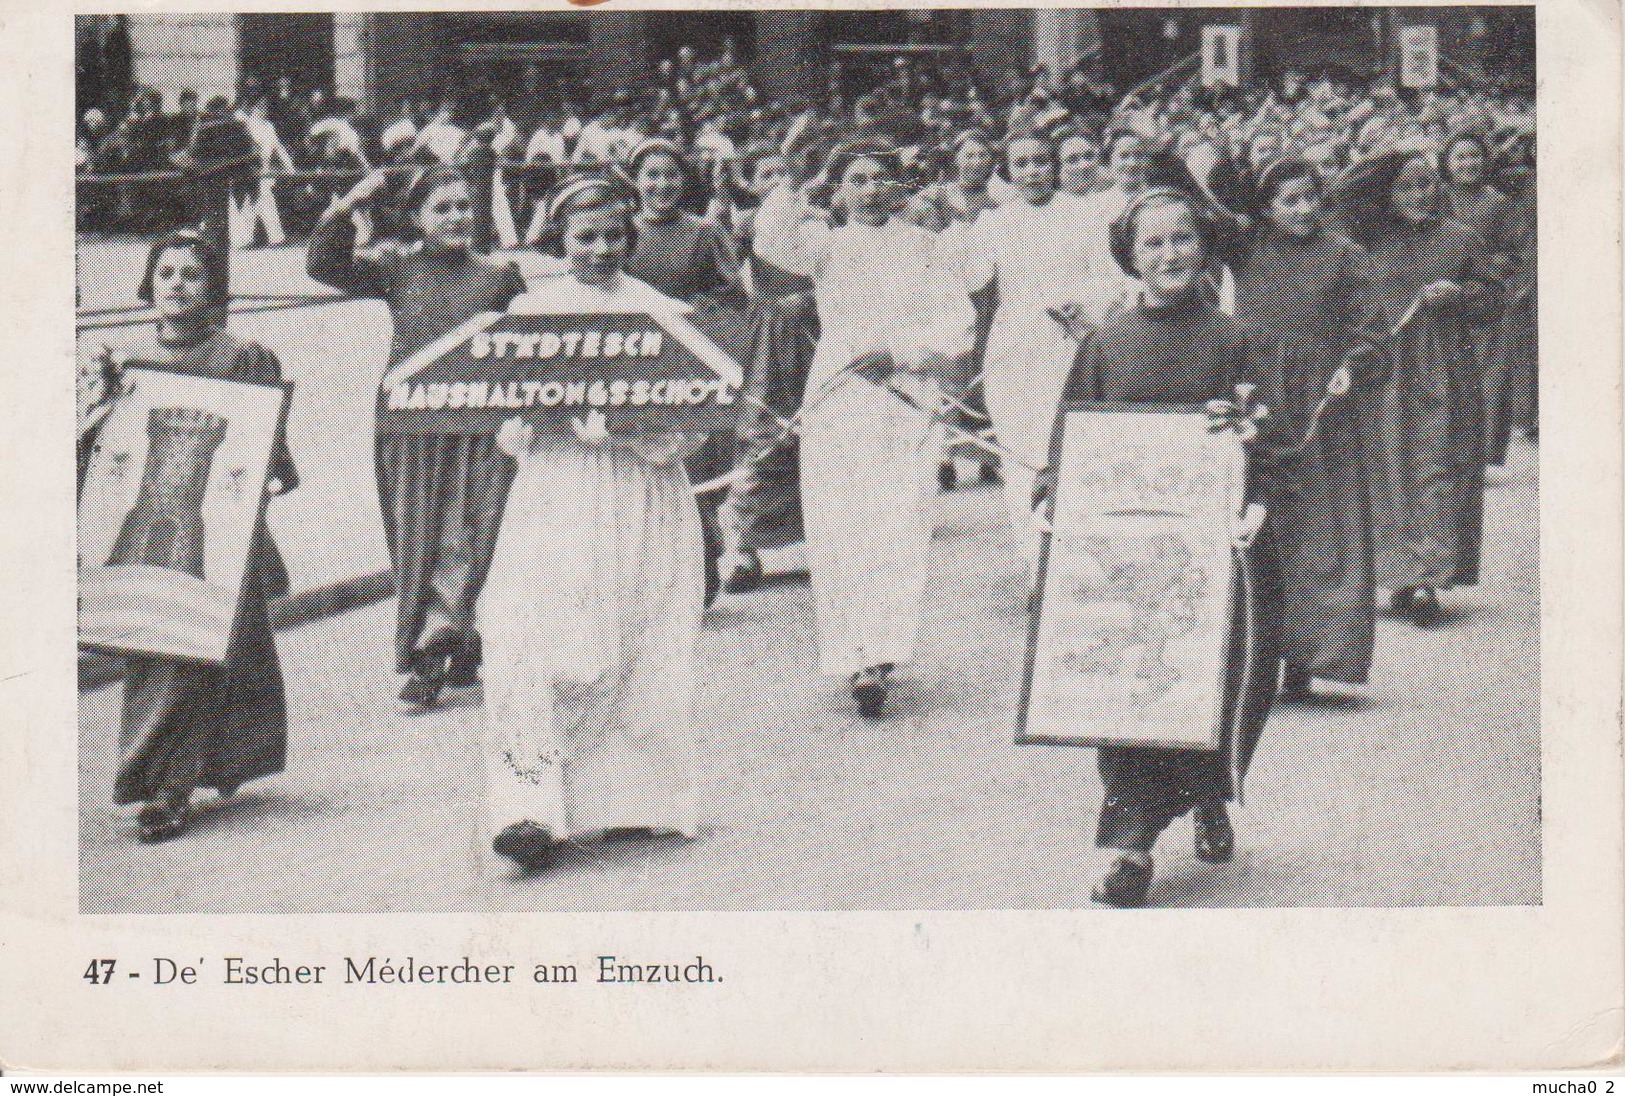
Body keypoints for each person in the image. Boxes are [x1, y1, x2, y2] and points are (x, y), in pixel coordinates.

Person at [1053, 188, 1286, 907]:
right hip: (1131, 555)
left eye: (1181, 239)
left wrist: (1255, 501)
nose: (1169, 255)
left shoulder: (1235, 339)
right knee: (1131, 691)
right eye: (1152, 244)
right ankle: (1128, 851)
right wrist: (1047, 491)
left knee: (1216, 680)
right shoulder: (1106, 343)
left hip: (1217, 545)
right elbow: (1072, 432)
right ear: (1131, 256)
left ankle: (1207, 795)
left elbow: (1267, 438)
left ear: (1203, 246)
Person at [479, 177, 708, 872]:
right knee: (530, 642)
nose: (600, 249)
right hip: (557, 498)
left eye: (613, 235)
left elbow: (692, 424)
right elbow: (504, 425)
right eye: (584, 236)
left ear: (629, 238)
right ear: (560, 240)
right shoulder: (531, 312)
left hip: (638, 495)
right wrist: (535, 421)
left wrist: (633, 431)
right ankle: (527, 809)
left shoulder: (662, 312)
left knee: (636, 642)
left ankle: (628, 801)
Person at [755, 140, 974, 717]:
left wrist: (901, 353)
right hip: (840, 399)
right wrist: (798, 185)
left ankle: (884, 648)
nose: (871, 190)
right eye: (858, 179)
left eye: (881, 178)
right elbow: (770, 239)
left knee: (899, 522)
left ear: (900, 186)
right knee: (840, 521)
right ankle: (856, 655)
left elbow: (958, 328)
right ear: (841, 189)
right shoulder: (824, 247)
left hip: (903, 399)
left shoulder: (927, 248)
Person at [96, 231, 299, 843]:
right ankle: (164, 783)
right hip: (150, 526)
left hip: (220, 526)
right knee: (166, 649)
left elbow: (265, 440)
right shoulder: (128, 363)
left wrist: (259, 480)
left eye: (193, 274)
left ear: (213, 286)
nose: (178, 286)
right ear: (148, 286)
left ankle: (182, 780)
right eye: (166, 274)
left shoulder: (243, 355)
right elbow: (102, 449)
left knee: (218, 650)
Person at [307, 165, 526, 706]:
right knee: (417, 536)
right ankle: (452, 639)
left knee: (475, 532)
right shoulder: (395, 267)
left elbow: (526, 345)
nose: (456, 218)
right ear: (417, 217)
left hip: (479, 422)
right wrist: (349, 205)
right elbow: (322, 265)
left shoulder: (501, 274)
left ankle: (433, 650)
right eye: (442, 208)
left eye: (464, 205)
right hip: (408, 422)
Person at [1230, 159, 1389, 698]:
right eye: (1288, 200)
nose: (1302, 209)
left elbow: (1373, 323)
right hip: (1259, 401)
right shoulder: (1248, 248)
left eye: (1310, 198)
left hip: (1323, 408)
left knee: (1322, 529)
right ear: (1266, 207)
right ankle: (1259, 655)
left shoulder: (1345, 254)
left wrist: (1355, 362)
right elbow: (1203, 201)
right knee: (1260, 521)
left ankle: (1310, 657)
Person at [1328, 148, 1501, 627]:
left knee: (1439, 461)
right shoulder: (1363, 244)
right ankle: (1394, 573)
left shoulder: (1462, 239)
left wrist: (1462, 296)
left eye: (1427, 185)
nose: (1420, 196)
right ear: (1386, 194)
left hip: (1444, 367)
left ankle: (1429, 576)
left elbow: (1493, 299)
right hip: (1383, 370)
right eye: (1407, 186)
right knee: (1387, 467)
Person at [950, 130, 1121, 593]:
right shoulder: (993, 224)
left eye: (1041, 162)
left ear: (1055, 167)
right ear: (1007, 169)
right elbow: (968, 277)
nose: (1032, 172)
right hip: (1018, 354)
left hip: (1078, 348)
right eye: (1021, 163)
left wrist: (1087, 307)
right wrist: (962, 225)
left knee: (1078, 455)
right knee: (1024, 461)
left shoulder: (1087, 216)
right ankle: (1037, 570)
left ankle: (1085, 568)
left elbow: (1112, 279)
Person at [622, 138, 750, 608]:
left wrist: (690, 316)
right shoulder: (618, 233)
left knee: (695, 473)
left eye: (670, 175)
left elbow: (736, 298)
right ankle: (646, 578)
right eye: (650, 175)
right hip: (631, 368)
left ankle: (703, 564)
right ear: (634, 182)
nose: (661, 185)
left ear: (684, 181)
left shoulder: (703, 233)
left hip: (688, 366)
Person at [1438, 131, 1518, 465]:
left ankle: (1481, 453)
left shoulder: (1498, 203)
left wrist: (1493, 268)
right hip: (1441, 299)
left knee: (1487, 378)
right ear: (1447, 163)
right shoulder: (1435, 196)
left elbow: (1516, 250)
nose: (1469, 163)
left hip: (1481, 299)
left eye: (1475, 155)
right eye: (1461, 157)